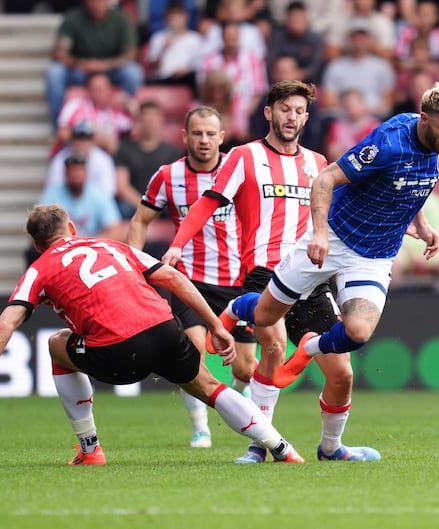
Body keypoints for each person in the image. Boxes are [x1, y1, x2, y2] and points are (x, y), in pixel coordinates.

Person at [0, 204, 305, 466]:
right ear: (72, 229)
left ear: (36, 245)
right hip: (164, 330)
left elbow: (6, 324)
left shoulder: (40, 267)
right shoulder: (112, 246)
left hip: (116, 351)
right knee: (208, 386)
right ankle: (282, 447)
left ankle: (90, 449)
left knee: (55, 344)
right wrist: (216, 325)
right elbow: (174, 278)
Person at [162, 80, 380, 463]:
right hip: (266, 271)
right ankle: (259, 446)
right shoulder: (243, 156)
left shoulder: (317, 163)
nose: (291, 117)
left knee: (342, 372)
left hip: (311, 276)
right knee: (274, 348)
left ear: (306, 117)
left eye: (298, 111)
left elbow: (357, 200)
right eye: (284, 109)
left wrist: (409, 222)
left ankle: (331, 448)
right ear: (269, 113)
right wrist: (178, 244)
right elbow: (206, 203)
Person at [218, 83, 439, 403]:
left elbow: (413, 182)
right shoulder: (388, 143)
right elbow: (325, 179)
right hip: (335, 236)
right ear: (424, 119)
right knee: (265, 316)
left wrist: (422, 222)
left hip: (375, 255)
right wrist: (319, 233)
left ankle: (307, 349)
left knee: (358, 333)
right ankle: (237, 307)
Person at [127, 106, 257, 448]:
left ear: (222, 137)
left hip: (237, 281)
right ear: (184, 136)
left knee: (245, 369)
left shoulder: (239, 168)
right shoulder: (168, 175)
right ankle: (201, 428)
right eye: (197, 133)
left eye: (210, 134)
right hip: (190, 282)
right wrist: (136, 266)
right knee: (194, 354)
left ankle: (237, 400)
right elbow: (140, 221)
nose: (204, 140)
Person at [44, 0, 144, 123]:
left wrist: (106, 65)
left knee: (133, 72)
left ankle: (127, 119)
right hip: (81, 70)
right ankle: (60, 124)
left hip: (111, 70)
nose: (97, 4)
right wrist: (81, 63)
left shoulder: (121, 18)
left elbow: (131, 53)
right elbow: (59, 52)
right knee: (54, 72)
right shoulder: (73, 18)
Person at [27, 152, 124, 265]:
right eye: (73, 171)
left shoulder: (99, 195)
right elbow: (35, 230)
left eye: (79, 171)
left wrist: (85, 243)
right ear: (65, 174)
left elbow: (116, 231)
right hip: (59, 252)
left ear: (86, 173)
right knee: (31, 254)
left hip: (93, 250)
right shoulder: (52, 195)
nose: (76, 175)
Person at [114, 101, 182, 218]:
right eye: (146, 120)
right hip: (134, 204)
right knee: (122, 209)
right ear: (138, 122)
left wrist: (156, 205)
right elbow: (122, 187)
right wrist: (145, 206)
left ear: (161, 121)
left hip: (162, 204)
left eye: (153, 120)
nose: (150, 124)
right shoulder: (125, 149)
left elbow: (176, 186)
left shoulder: (172, 152)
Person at [56, 72, 135, 155]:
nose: (99, 93)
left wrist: (132, 107)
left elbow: (137, 132)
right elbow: (62, 132)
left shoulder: (117, 110)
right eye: (95, 89)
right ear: (88, 90)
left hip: (110, 156)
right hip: (78, 155)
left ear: (110, 90)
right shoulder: (75, 105)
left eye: (102, 89)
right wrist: (95, 141)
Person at [145, 1, 204, 91]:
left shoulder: (195, 39)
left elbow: (200, 64)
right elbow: (153, 68)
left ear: (186, 18)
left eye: (178, 16)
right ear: (166, 20)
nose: (175, 20)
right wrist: (163, 50)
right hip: (164, 79)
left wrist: (186, 70)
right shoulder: (158, 38)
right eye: (172, 17)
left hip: (186, 78)